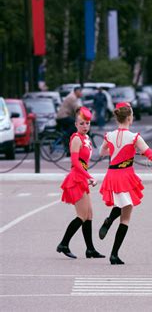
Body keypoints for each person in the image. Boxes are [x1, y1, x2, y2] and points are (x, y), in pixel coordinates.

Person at [98, 102, 152, 265]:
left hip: (112, 174)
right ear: (130, 118)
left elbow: (102, 152)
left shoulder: (108, 135)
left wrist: (116, 152)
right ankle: (114, 254)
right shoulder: (134, 137)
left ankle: (109, 221)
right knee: (126, 216)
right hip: (126, 175)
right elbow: (151, 155)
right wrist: (144, 154)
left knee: (121, 202)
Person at [56, 107, 104, 259]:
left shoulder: (86, 138)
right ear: (76, 124)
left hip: (82, 177)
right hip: (77, 178)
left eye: (87, 123)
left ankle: (90, 249)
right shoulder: (76, 138)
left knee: (89, 215)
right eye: (82, 123)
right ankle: (63, 244)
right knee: (82, 216)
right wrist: (89, 176)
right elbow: (75, 162)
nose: (85, 126)